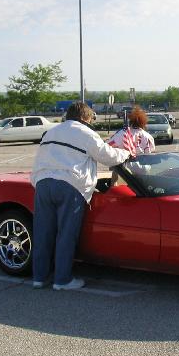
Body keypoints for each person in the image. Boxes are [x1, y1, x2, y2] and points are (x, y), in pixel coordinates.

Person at [30, 102, 132, 290]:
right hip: (70, 185)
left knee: (43, 233)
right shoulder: (86, 133)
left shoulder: (51, 132)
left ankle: (39, 277)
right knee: (66, 234)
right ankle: (62, 280)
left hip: (42, 184)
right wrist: (125, 153)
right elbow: (107, 156)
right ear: (86, 117)